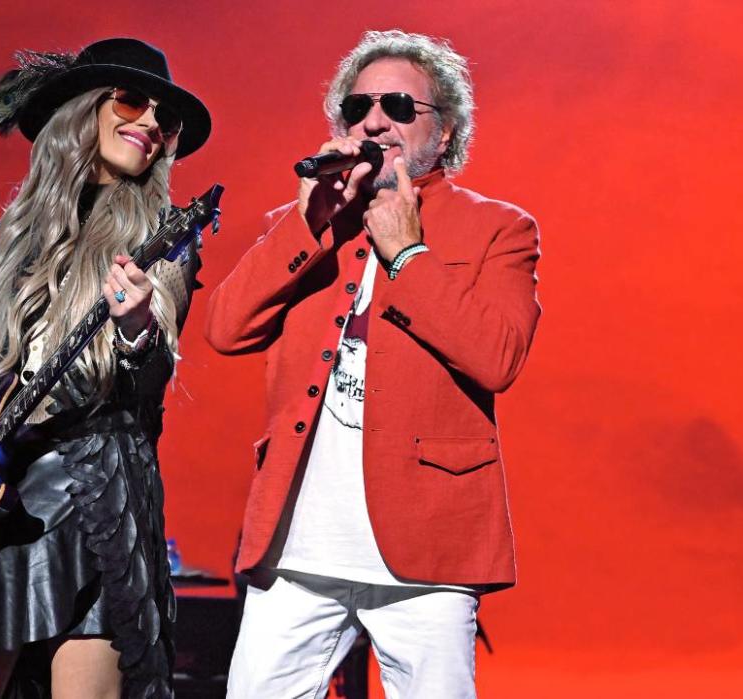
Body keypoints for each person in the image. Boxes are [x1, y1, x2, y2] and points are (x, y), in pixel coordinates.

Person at [205, 30, 542, 698]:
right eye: (359, 108)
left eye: (397, 105)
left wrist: (409, 256)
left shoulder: (499, 229)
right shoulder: (307, 222)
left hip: (427, 549)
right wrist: (305, 226)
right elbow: (225, 328)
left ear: (442, 132)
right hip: (297, 544)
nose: (374, 120)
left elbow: (497, 356)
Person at [0, 38, 209, 699]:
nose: (152, 121)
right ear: (82, 110)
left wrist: (135, 328)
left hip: (97, 498)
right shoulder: (7, 237)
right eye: (132, 100)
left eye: (167, 118)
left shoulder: (166, 231)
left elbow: (151, 376)